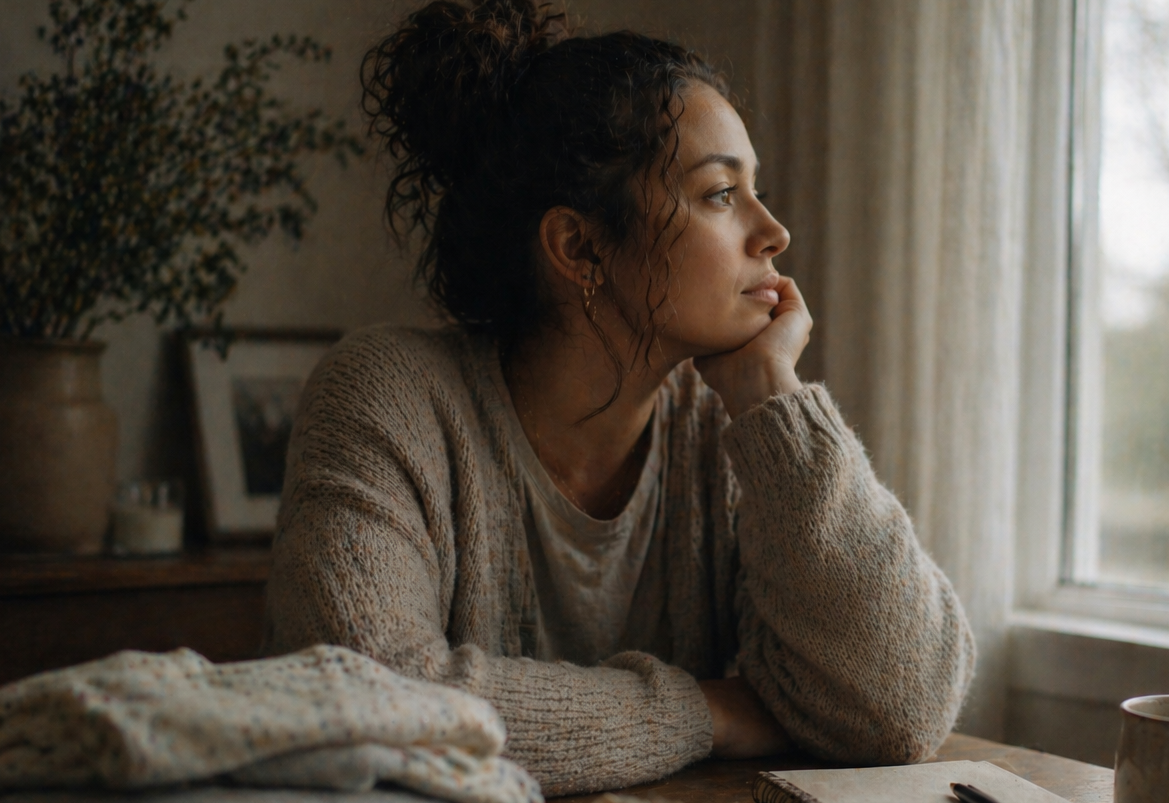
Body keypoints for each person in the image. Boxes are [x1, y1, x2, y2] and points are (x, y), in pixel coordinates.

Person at [263, 0, 976, 796]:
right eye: (718, 194)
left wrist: (774, 397)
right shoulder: (386, 395)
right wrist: (706, 712)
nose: (771, 231)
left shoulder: (734, 428)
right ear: (579, 245)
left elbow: (902, 707)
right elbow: (366, 703)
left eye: (756, 190)